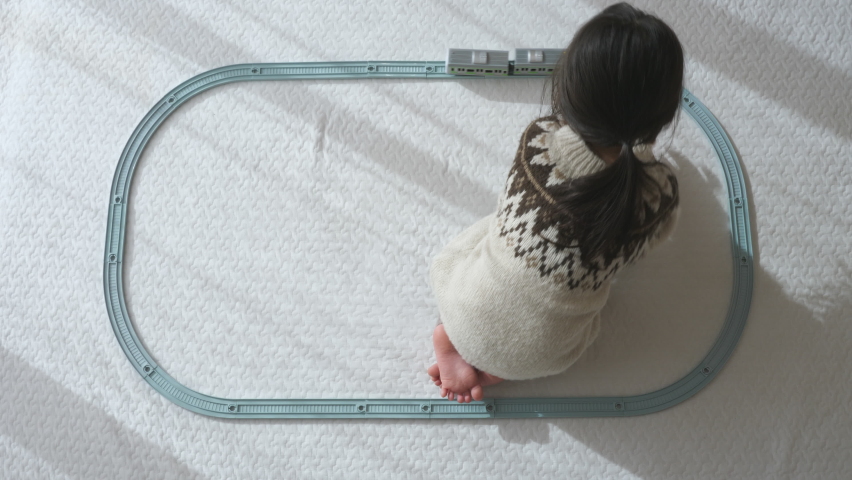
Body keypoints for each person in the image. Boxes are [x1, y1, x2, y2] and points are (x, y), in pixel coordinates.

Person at [427, 2, 685, 403]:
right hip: (543, 356)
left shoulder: (539, 141)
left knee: (500, 227)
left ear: (568, 88)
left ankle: (450, 339)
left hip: (464, 308)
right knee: (574, 304)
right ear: (665, 113)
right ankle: (496, 369)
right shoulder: (660, 196)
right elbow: (645, 248)